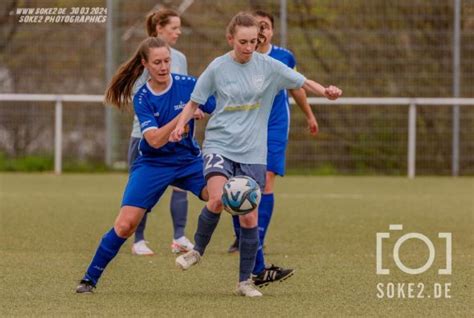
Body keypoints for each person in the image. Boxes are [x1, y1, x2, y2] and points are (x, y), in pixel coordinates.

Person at [170, 12, 342, 297]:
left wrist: (326, 91)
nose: (248, 47)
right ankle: (197, 251)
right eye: (242, 42)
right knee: (216, 197)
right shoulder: (217, 67)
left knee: (249, 218)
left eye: (252, 42)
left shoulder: (270, 66)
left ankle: (244, 282)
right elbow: (194, 102)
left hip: (252, 151)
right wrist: (179, 126)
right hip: (219, 144)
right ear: (230, 39)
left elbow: (302, 81)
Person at [76, 37, 215, 293]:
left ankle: (254, 272)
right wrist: (184, 116)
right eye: (157, 62)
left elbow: (215, 107)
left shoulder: (189, 85)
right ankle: (89, 279)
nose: (163, 67)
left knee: (224, 199)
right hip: (153, 163)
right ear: (145, 65)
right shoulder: (142, 97)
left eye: (167, 61)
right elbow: (154, 139)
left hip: (188, 161)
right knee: (125, 225)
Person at [227, 9, 320, 288]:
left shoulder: (283, 57)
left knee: (266, 181)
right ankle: (247, 236)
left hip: (275, 127)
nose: (262, 32)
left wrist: (309, 114)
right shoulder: (240, 58)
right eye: (257, 27)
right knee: (241, 185)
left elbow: (297, 87)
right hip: (246, 126)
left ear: (272, 31)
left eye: (265, 27)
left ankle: (258, 237)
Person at [128, 9, 194, 256]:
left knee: (182, 186)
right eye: (174, 27)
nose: (178, 32)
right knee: (142, 189)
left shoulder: (181, 58)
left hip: (179, 135)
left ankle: (179, 237)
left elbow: (187, 97)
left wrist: (189, 114)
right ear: (159, 29)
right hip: (146, 137)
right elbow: (140, 97)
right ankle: (139, 240)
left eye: (179, 28)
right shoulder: (143, 58)